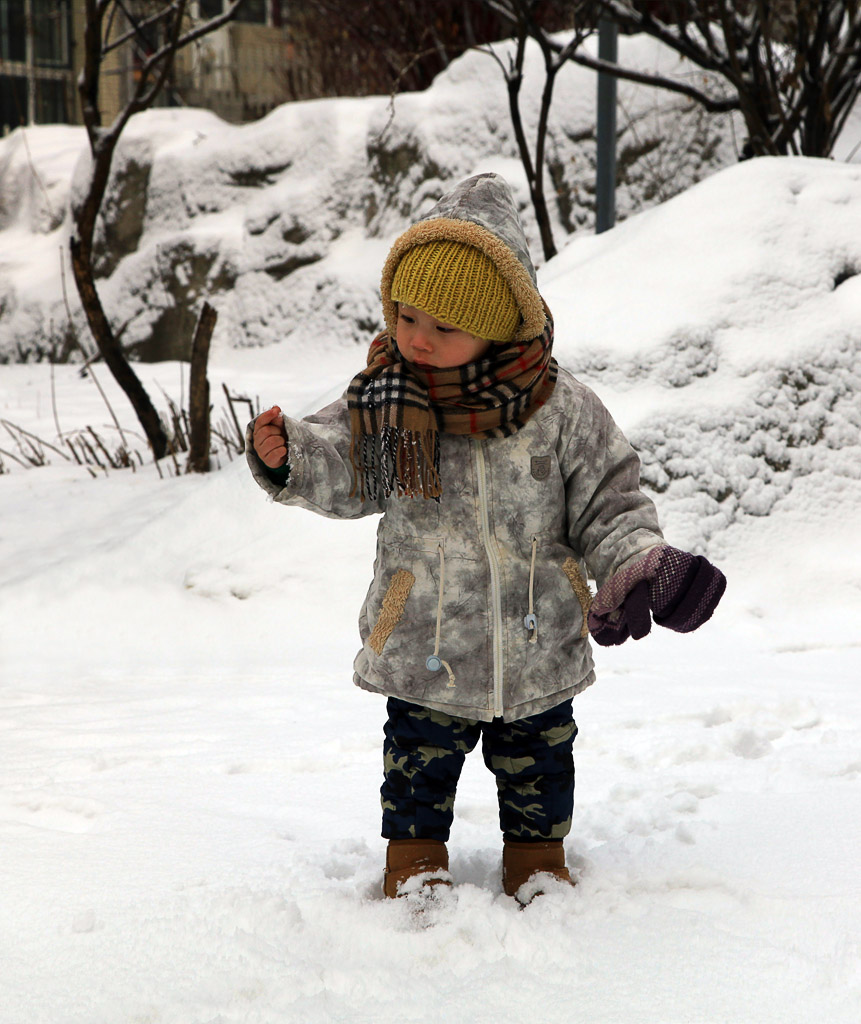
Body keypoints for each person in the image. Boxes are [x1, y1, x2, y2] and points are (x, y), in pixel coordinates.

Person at [246, 173, 726, 905]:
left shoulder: (562, 411)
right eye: (406, 317)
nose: (416, 338)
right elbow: (347, 471)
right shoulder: (385, 400)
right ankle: (412, 860)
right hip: (421, 639)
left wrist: (638, 562)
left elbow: (609, 501)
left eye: (443, 326)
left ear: (502, 323)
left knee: (540, 764)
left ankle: (535, 860)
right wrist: (292, 457)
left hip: (536, 645)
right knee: (415, 764)